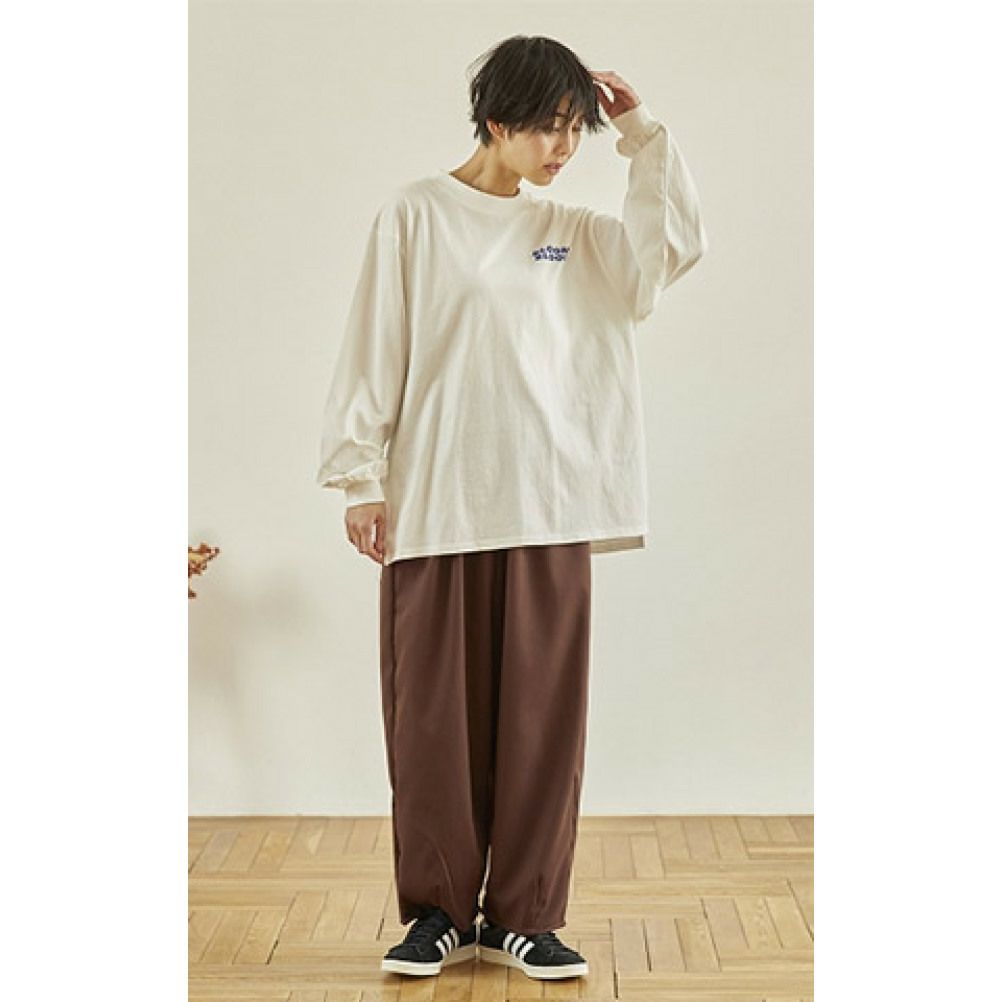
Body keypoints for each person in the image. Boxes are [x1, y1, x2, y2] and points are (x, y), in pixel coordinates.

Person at [316, 34, 707, 980]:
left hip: (548, 505)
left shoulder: (574, 231)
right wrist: (361, 478)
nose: (564, 147)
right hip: (436, 505)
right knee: (431, 727)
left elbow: (669, 252)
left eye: (574, 128)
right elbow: (374, 343)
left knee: (541, 725)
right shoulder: (415, 215)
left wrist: (642, 135)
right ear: (495, 120)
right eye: (547, 127)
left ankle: (526, 915)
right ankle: (439, 914)